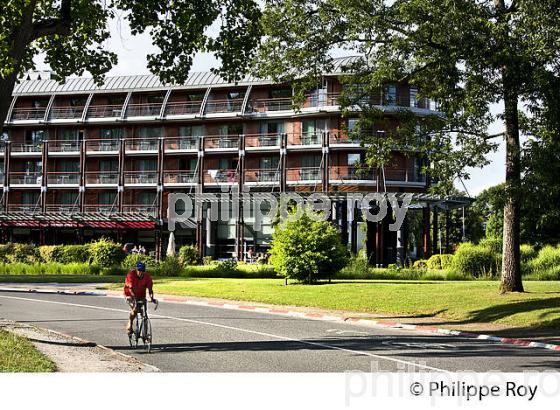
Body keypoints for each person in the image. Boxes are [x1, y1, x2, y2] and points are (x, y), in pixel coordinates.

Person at [123, 262, 154, 335]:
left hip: (141, 295)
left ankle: (145, 332)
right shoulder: (131, 275)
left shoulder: (147, 277)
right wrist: (134, 298)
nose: (140, 273)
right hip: (129, 294)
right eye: (139, 270)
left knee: (143, 311)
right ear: (136, 270)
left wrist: (152, 298)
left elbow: (150, 289)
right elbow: (130, 289)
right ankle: (130, 322)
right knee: (135, 308)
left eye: (142, 271)